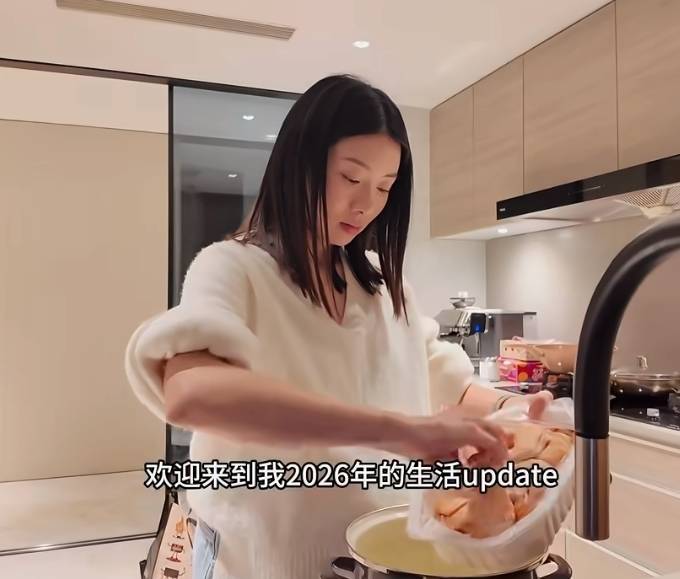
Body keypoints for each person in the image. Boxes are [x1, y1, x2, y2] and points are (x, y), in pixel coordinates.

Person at [124, 74, 552, 579]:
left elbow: (446, 381)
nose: (366, 203)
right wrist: (402, 433)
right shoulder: (234, 269)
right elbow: (193, 395)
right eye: (351, 178)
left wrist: (514, 413)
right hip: (263, 563)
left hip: (381, 557)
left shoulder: (383, 286)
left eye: (385, 188)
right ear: (301, 163)